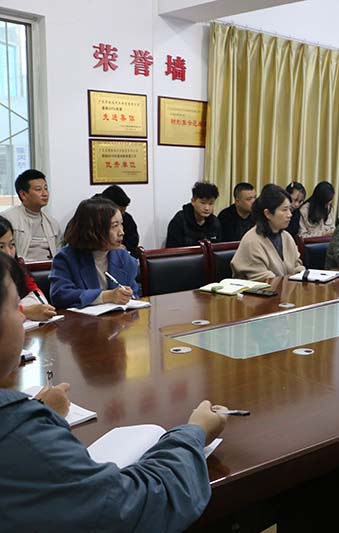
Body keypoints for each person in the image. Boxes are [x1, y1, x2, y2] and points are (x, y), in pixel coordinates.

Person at [0, 254, 228, 530]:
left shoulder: (18, 425)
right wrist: (194, 433)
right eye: (15, 306)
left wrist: (39, 415)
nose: (22, 315)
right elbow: (136, 506)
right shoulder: (17, 433)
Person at [49, 198, 140, 309]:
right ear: (94, 229)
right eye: (115, 226)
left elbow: (135, 293)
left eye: (121, 224)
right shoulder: (66, 258)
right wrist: (106, 296)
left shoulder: (123, 257)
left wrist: (128, 295)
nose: (121, 232)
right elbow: (60, 295)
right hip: (82, 319)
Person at [230, 185, 305, 282]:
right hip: (261, 290)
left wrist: (301, 274)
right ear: (268, 214)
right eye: (284, 210)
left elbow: (297, 266)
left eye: (290, 209)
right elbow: (264, 280)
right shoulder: (252, 241)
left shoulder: (286, 236)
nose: (289, 215)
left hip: (285, 289)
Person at [0, 216, 57, 321]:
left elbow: (35, 292)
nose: (8, 253)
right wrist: (25, 311)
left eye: (12, 245)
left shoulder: (18, 267)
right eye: (1, 247)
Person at [3, 169, 63, 262]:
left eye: (46, 188)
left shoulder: (52, 223)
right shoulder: (7, 219)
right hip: (21, 269)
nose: (45, 193)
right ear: (23, 194)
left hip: (48, 269)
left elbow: (59, 254)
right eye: (38, 189)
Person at [165, 182, 222, 247]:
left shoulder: (215, 222)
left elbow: (218, 249)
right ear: (193, 201)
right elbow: (172, 250)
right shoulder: (179, 220)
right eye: (203, 203)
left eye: (211, 204)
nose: (207, 208)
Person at [100, 185, 140, 258]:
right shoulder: (93, 218)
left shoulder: (127, 218)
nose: (121, 233)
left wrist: (124, 247)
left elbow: (133, 241)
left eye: (123, 212)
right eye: (115, 225)